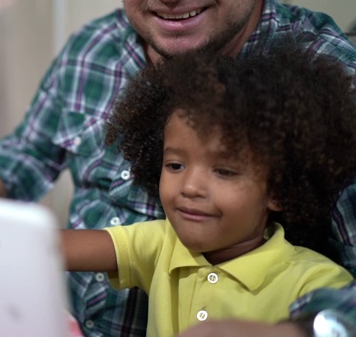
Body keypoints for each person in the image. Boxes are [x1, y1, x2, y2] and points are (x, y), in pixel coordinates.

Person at [0, 0, 356, 335]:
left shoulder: (338, 79)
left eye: (224, 168)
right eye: (175, 164)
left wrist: (296, 331)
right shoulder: (94, 47)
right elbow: (28, 151)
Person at [62, 50, 356, 337]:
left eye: (224, 171)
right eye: (175, 165)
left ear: (277, 190)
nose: (190, 187)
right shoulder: (162, 243)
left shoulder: (316, 282)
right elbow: (55, 246)